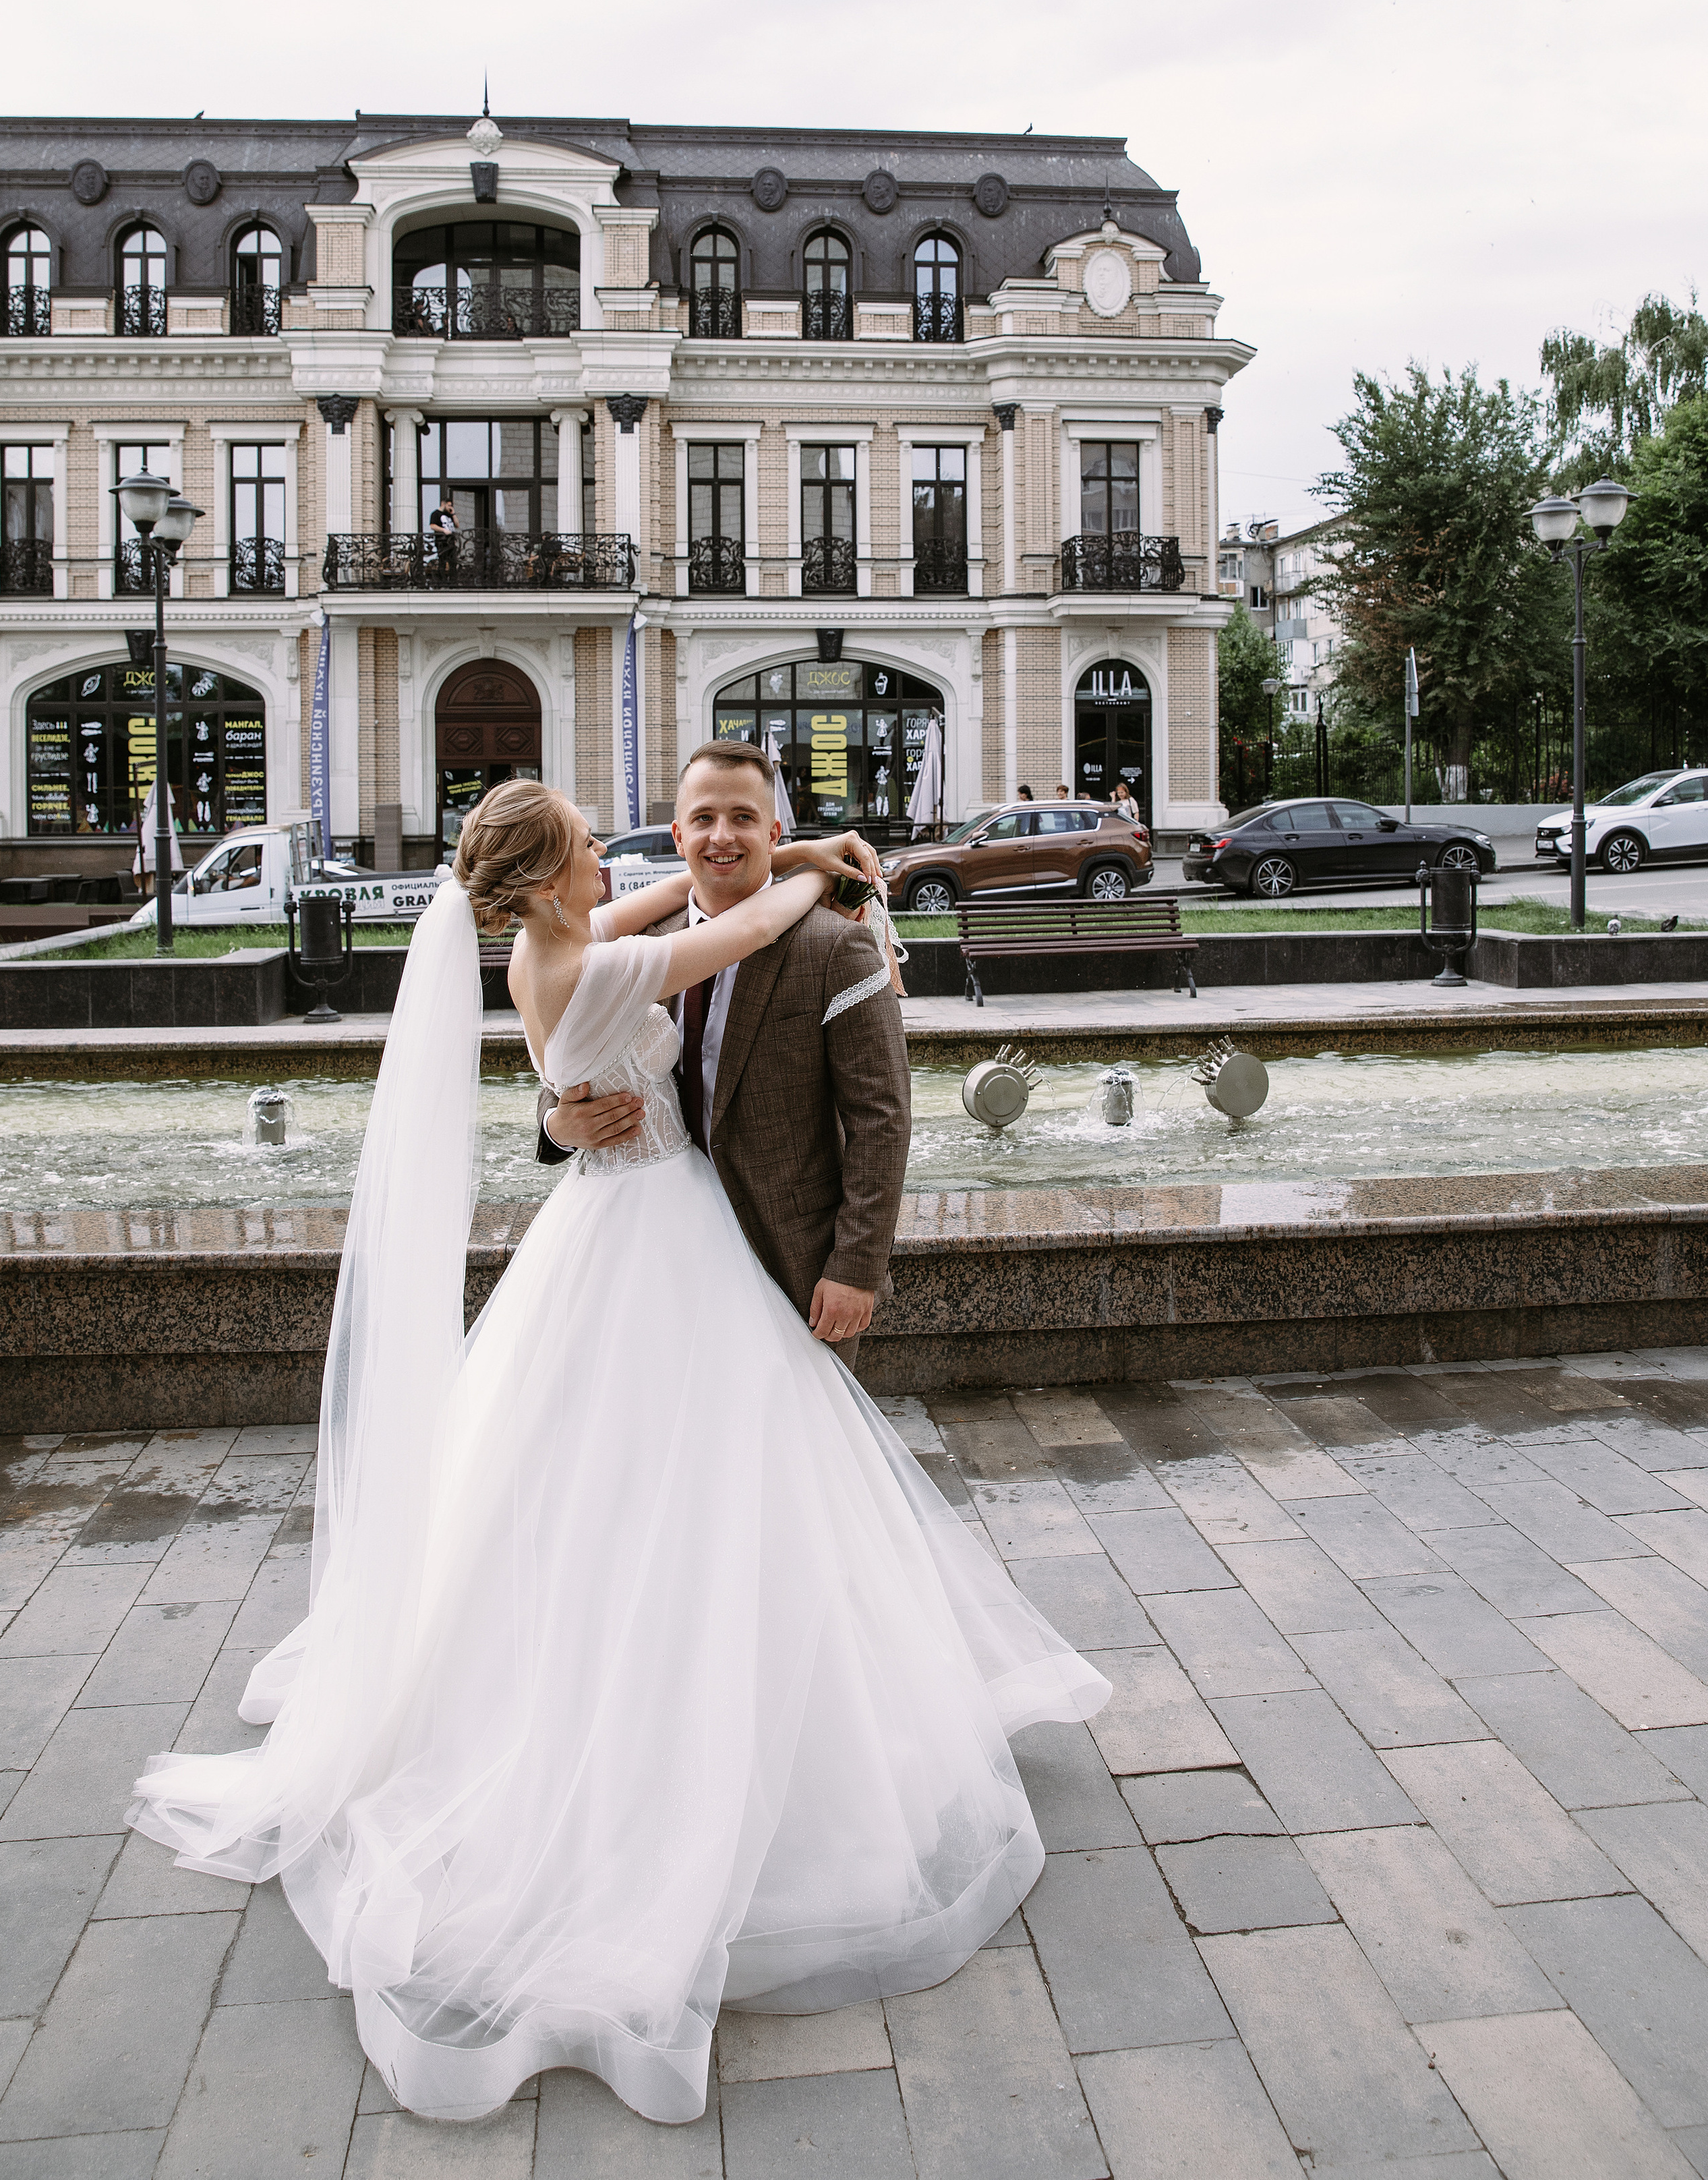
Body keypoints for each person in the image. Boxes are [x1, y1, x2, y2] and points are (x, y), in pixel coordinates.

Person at [125, 777, 1106, 2131]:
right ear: (545, 882)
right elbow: (732, 926)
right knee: (680, 1475)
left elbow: (679, 908)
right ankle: (669, 1707)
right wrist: (813, 871)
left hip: (611, 1232)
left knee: (591, 1484)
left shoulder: (555, 948)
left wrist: (797, 849)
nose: (620, 856)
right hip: (657, 1235)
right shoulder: (608, 961)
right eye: (593, 846)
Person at [538, 741, 903, 1358]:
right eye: (704, 818)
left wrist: (856, 1267)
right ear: (678, 835)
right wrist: (556, 1124)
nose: (722, 836)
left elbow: (882, 1118)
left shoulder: (836, 947)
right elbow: (568, 1058)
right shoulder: (640, 946)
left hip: (788, 1257)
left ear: (774, 832)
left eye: (743, 817)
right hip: (654, 1256)